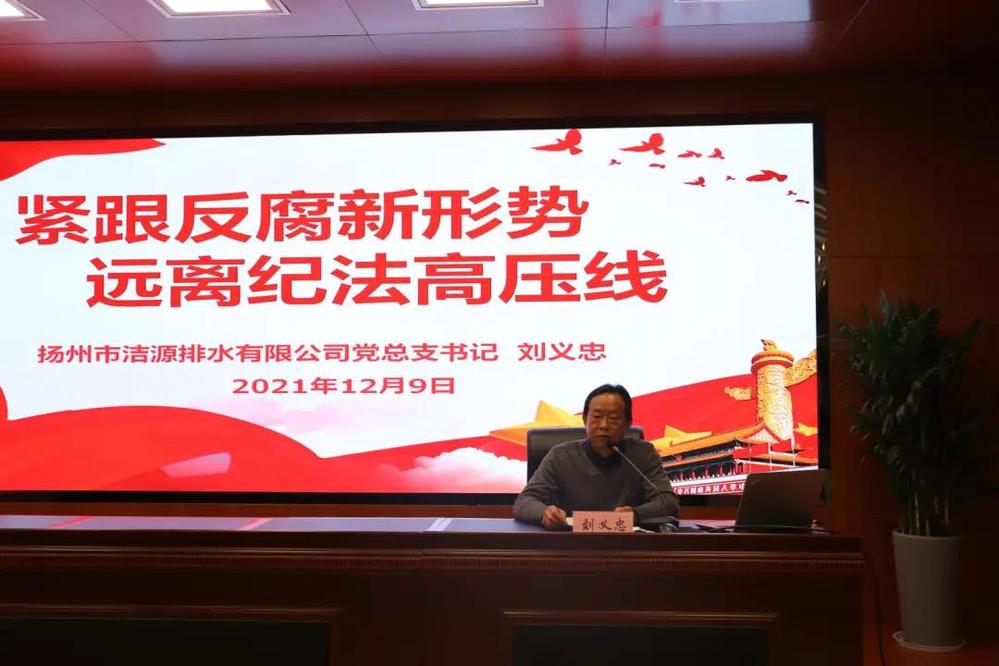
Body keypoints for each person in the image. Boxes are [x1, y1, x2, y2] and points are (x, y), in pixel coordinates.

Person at [513, 384, 679, 530]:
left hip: (627, 544)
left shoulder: (643, 454)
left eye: (613, 418)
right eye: (597, 417)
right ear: (585, 419)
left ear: (628, 423)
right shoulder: (561, 456)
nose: (604, 425)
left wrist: (636, 514)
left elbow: (668, 501)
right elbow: (524, 501)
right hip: (572, 545)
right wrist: (544, 513)